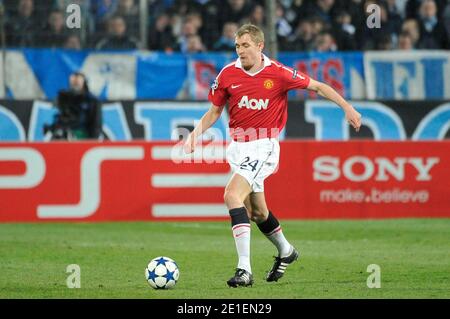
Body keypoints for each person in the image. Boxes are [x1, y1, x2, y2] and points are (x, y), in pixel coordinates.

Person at [183, 24, 362, 287]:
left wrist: (347, 107)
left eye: (245, 45)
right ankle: (287, 251)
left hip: (263, 145)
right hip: (238, 147)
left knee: (231, 196)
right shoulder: (228, 74)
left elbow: (319, 86)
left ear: (259, 46)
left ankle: (244, 270)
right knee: (257, 213)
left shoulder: (278, 73)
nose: (240, 51)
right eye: (237, 46)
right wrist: (194, 134)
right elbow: (214, 111)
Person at [45, 72, 102, 140]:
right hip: (64, 134)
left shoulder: (92, 100)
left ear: (84, 80)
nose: (75, 80)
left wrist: (93, 140)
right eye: (73, 78)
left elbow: (96, 122)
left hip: (83, 136)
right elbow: (60, 117)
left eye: (78, 78)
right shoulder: (64, 97)